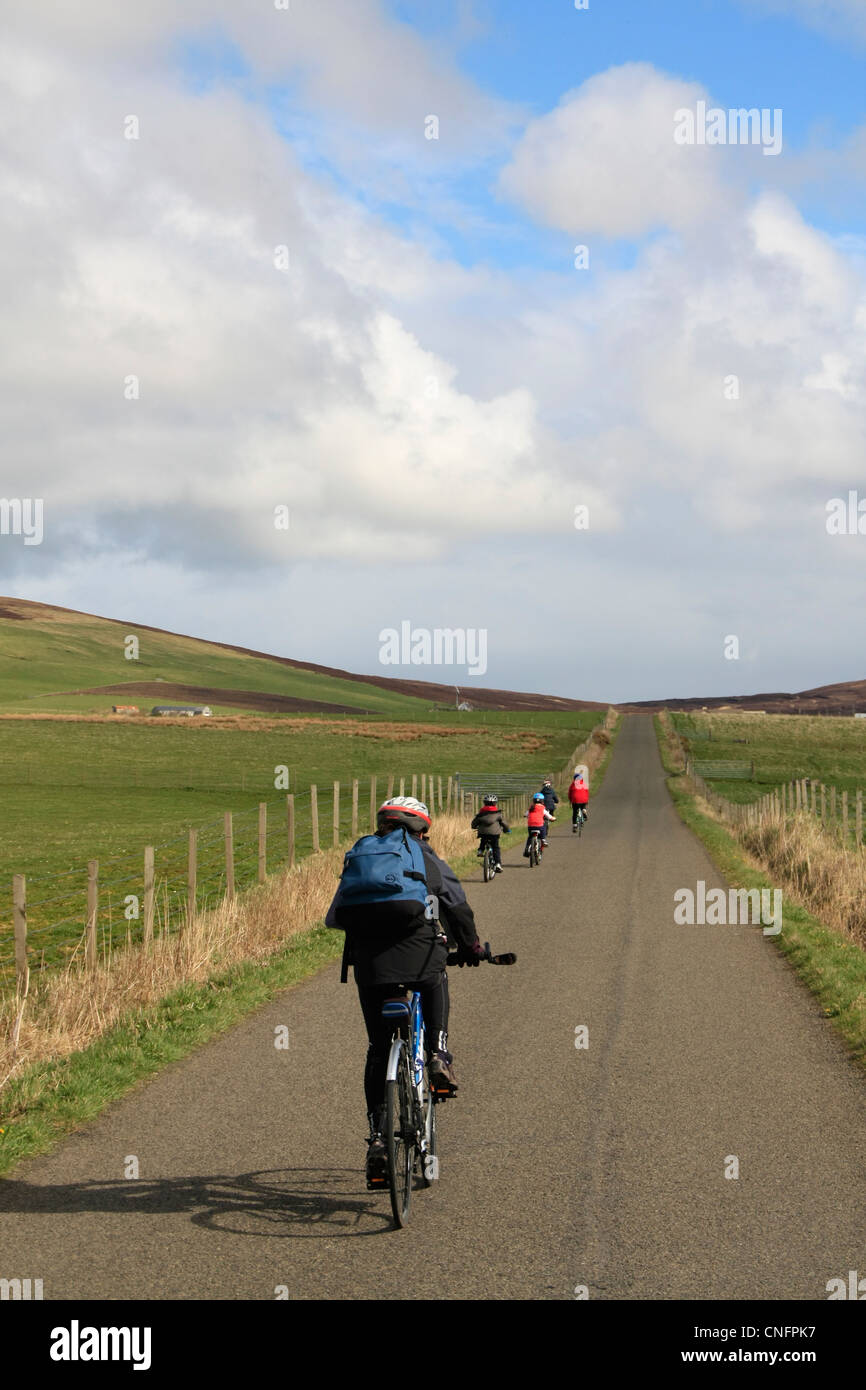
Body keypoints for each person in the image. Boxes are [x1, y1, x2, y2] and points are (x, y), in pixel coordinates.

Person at [325, 796, 485, 1190]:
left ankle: (378, 1139)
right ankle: (437, 1055)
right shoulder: (424, 857)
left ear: (382, 824)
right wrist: (471, 948)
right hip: (419, 958)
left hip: (370, 965)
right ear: (422, 829)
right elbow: (457, 907)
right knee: (436, 979)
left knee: (379, 1049)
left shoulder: (363, 855)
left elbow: (334, 917)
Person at [471, 794, 510, 873]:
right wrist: (507, 830)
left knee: (483, 839)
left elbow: (474, 824)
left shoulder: (481, 814)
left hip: (483, 833)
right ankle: (498, 864)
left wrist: (474, 827)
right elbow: (504, 824)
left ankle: (480, 850)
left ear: (484, 803)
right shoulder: (498, 814)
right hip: (495, 834)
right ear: (495, 803)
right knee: (496, 848)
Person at [524, 791, 555, 855]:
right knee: (543, 827)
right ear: (542, 801)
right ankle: (543, 840)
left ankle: (527, 848)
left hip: (531, 825)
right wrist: (553, 818)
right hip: (539, 825)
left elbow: (526, 814)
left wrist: (525, 816)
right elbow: (548, 815)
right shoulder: (542, 808)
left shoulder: (531, 807)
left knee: (530, 837)